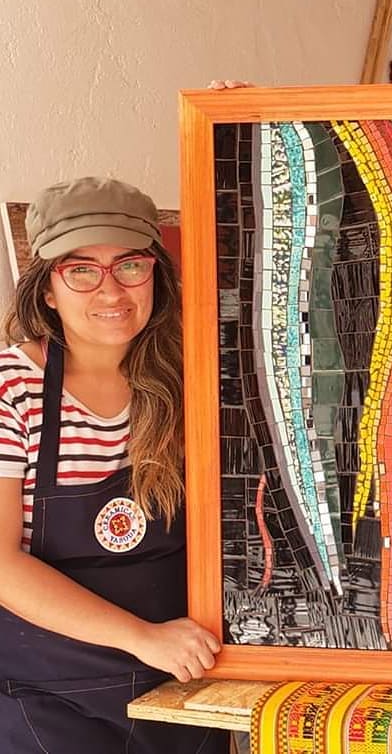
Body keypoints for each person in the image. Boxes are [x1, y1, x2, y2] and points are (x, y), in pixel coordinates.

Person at [0, 177, 230, 752]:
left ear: (156, 275)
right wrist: (143, 637)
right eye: (81, 269)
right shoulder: (12, 388)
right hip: (51, 702)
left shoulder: (194, 377)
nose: (111, 290)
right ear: (47, 289)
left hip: (185, 684)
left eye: (130, 265)